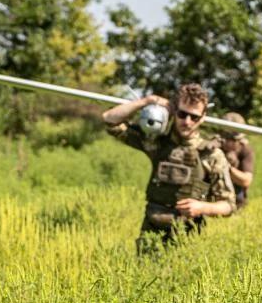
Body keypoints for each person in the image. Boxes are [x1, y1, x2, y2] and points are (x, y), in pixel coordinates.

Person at [101, 83, 236, 252]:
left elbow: (229, 205)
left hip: (187, 237)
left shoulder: (211, 154)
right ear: (174, 111)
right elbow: (110, 120)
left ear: (202, 117)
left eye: (194, 117)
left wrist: (202, 207)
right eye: (182, 114)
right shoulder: (156, 142)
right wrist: (147, 101)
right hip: (152, 231)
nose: (187, 122)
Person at [216, 112, 255, 210]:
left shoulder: (246, 150)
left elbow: (246, 181)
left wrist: (227, 168)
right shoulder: (214, 146)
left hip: (237, 198)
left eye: (234, 140)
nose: (229, 143)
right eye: (226, 138)